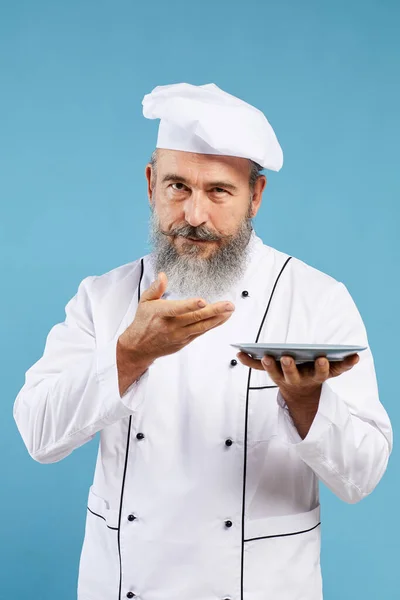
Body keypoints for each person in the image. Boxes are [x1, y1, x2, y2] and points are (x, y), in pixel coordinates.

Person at [14, 82, 392, 600]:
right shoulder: (103, 297)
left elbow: (363, 475)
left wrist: (308, 404)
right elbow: (38, 435)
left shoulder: (316, 298)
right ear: (150, 184)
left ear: (255, 197)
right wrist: (128, 355)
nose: (193, 216)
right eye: (177, 187)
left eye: (218, 191)